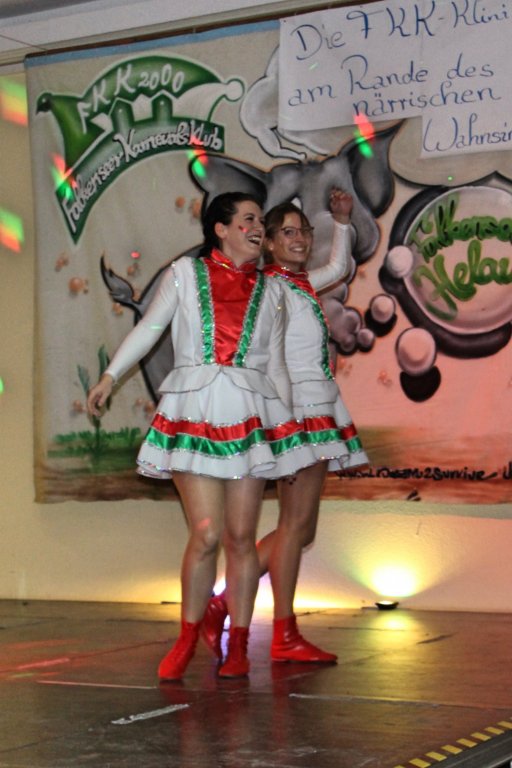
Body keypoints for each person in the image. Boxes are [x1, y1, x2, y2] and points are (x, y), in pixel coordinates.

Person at [86, 192, 315, 681]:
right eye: (249, 219)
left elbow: (276, 366)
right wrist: (109, 376)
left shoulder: (273, 291)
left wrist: (289, 434)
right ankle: (187, 637)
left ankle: (238, 644)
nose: (259, 227)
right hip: (194, 411)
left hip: (249, 417)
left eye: (261, 220)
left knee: (241, 537)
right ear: (221, 229)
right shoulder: (185, 275)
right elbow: (150, 327)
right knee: (207, 533)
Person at [201, 189, 369, 664]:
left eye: (305, 231)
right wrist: (287, 428)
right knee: (294, 526)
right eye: (288, 232)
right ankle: (283, 633)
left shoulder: (297, 283)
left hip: (316, 406)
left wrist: (341, 221)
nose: (300, 239)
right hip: (298, 414)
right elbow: (269, 361)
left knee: (301, 527)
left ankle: (221, 603)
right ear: (270, 242)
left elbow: (339, 267)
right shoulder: (270, 290)